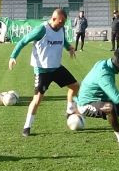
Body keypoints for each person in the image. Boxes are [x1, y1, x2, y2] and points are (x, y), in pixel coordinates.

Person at [8, 7, 79, 137]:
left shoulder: (61, 28)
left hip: (56, 68)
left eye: (64, 22)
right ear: (53, 18)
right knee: (38, 99)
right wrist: (13, 57)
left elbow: (62, 39)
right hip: (42, 71)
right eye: (60, 21)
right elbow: (23, 41)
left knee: (75, 86)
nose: (62, 24)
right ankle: (27, 126)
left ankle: (69, 110)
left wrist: (69, 47)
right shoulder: (42, 30)